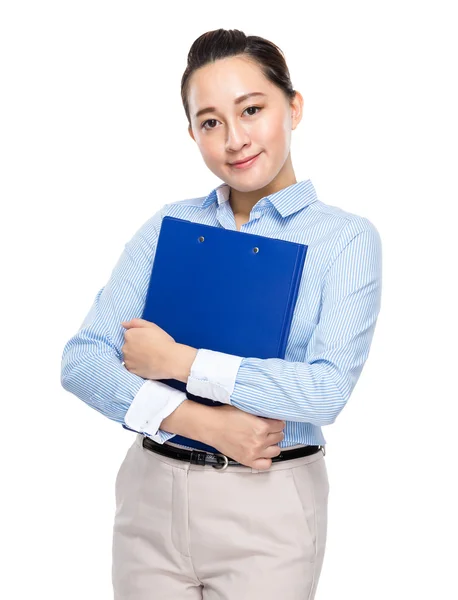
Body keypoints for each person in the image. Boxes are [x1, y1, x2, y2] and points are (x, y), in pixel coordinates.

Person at [61, 28, 382, 600]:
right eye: (210, 122)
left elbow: (325, 392)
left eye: (252, 110)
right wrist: (201, 422)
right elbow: (83, 362)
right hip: (150, 497)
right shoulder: (170, 227)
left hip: (269, 507)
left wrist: (180, 361)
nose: (235, 138)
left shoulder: (345, 240)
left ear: (293, 107)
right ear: (192, 133)